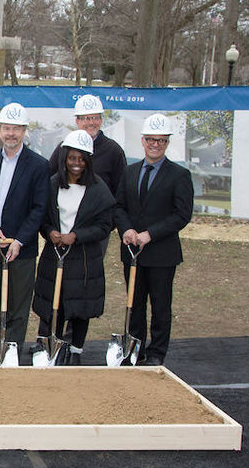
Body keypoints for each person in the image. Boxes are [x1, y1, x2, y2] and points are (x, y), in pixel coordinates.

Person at [113, 113, 193, 365]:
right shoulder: (129, 172)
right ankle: (135, 350)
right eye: (150, 139)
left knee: (160, 306)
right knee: (134, 305)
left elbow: (182, 214)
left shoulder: (179, 175)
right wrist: (126, 229)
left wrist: (151, 234)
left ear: (167, 142)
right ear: (143, 140)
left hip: (162, 254)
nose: (155, 144)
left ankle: (157, 352)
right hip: (133, 252)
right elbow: (118, 207)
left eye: (160, 140)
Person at [31, 130, 116, 365]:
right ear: (64, 158)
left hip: (84, 258)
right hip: (54, 255)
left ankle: (75, 352)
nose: (76, 164)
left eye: (81, 159)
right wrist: (50, 232)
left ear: (88, 161)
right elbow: (43, 218)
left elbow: (105, 225)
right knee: (54, 304)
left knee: (80, 307)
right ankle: (52, 348)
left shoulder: (98, 189)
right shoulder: (52, 185)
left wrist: (76, 236)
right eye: (72, 158)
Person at [0, 102, 49, 357]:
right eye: (7, 128)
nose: (11, 134)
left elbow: (39, 208)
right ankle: (0, 347)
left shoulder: (39, 165)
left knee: (17, 303)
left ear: (24, 131)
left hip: (21, 248)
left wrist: (19, 240)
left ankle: (12, 353)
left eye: (16, 129)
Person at [47, 94, 127, 197]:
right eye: (86, 118)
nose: (91, 122)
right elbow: (48, 179)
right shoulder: (64, 148)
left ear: (101, 120)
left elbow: (121, 190)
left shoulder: (114, 151)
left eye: (95, 117)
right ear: (77, 121)